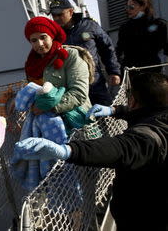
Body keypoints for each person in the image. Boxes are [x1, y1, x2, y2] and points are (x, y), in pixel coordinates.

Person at [13, 72, 168, 231]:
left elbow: (115, 148)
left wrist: (68, 150)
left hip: (146, 219)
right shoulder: (160, 118)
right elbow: (144, 112)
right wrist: (115, 110)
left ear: (133, 101)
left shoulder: (146, 140)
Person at [50, 0, 121, 105]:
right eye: (53, 15)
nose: (56, 18)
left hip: (95, 83)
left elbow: (107, 48)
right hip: (71, 88)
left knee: (106, 115)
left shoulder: (89, 26)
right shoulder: (53, 35)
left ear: (71, 11)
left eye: (60, 14)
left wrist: (114, 71)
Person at [23, 16, 92, 117]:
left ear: (51, 36)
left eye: (43, 37)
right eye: (34, 40)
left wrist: (49, 108)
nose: (40, 44)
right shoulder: (31, 64)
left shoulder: (70, 55)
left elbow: (79, 93)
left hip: (77, 121)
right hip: (46, 125)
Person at [116, 0, 168, 72]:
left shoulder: (159, 24)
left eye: (132, 7)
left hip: (152, 71)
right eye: (126, 7)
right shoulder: (125, 28)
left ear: (143, 6)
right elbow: (118, 50)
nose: (128, 9)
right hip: (130, 72)